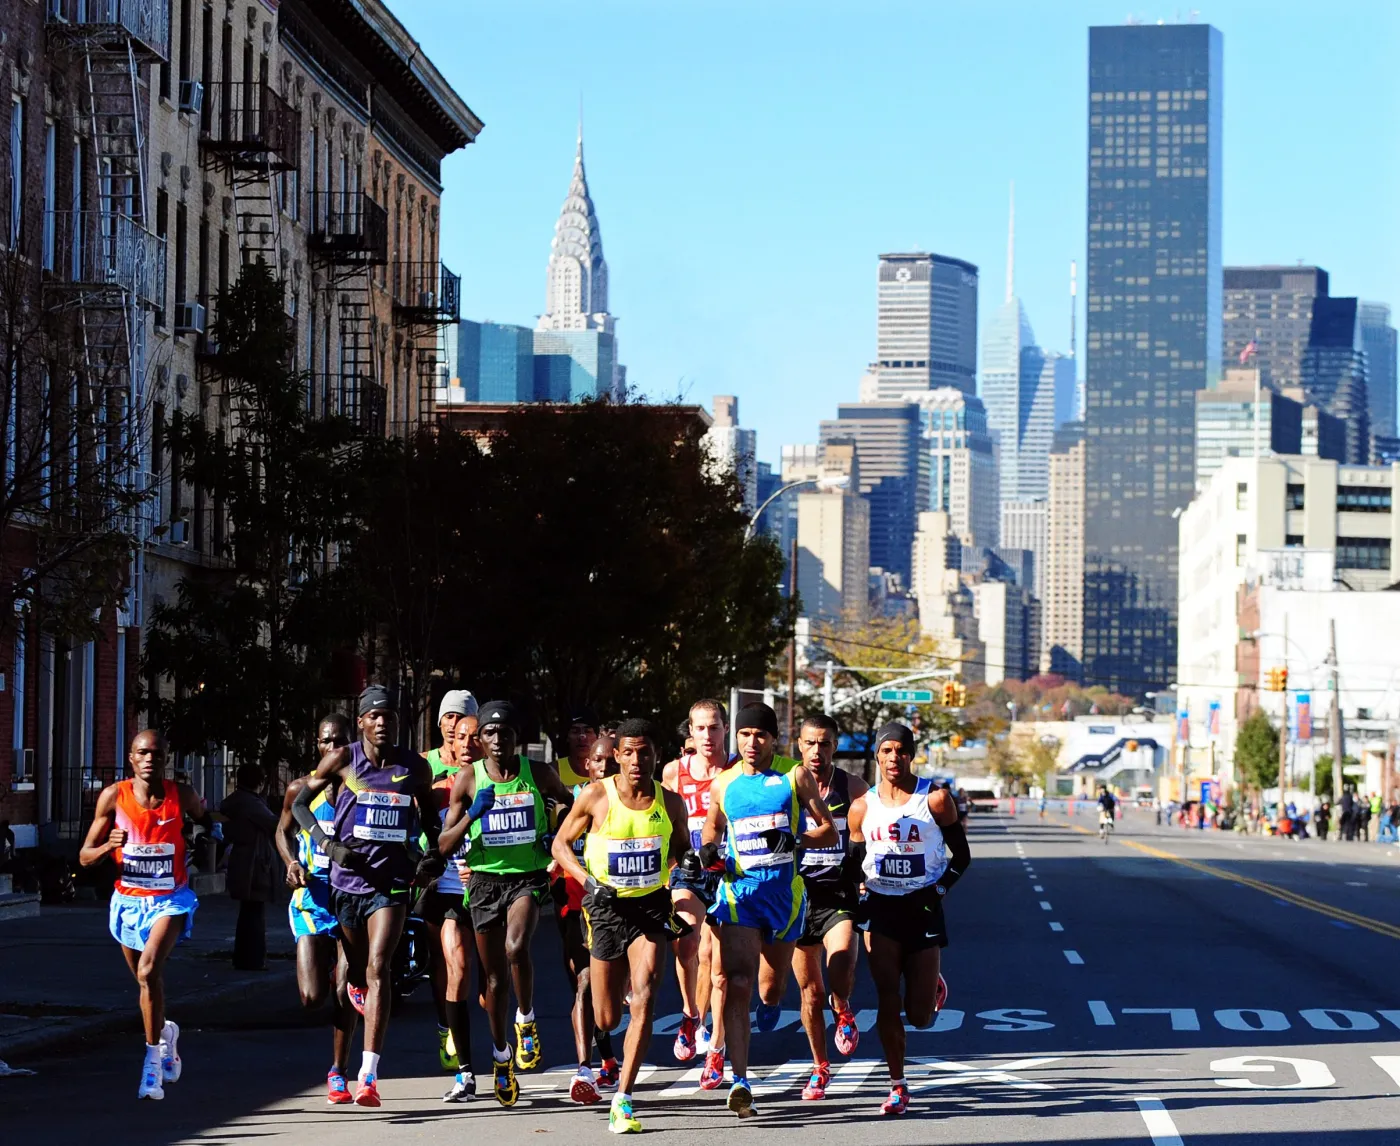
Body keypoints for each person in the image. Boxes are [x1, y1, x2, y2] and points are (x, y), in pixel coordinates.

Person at [292, 685, 445, 1107]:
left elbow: (431, 821)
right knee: (351, 978)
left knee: (379, 968)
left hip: (391, 883)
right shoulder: (343, 760)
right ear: (360, 722)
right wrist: (329, 845)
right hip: (346, 883)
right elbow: (301, 807)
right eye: (373, 716)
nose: (382, 722)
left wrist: (433, 855)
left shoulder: (413, 767)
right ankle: (336, 1070)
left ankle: (368, 1075)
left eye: (389, 716)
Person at [553, 718, 693, 1133]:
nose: (636, 760)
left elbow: (681, 849)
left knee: (647, 993)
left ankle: (624, 1098)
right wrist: (588, 882)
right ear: (616, 756)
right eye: (628, 752)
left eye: (644, 752)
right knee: (607, 1017)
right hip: (606, 911)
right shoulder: (597, 796)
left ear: (656, 754)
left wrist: (681, 866)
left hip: (650, 908)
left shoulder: (670, 803)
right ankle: (613, 1016)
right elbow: (561, 845)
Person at [698, 702, 835, 1117]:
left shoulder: (794, 776)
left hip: (785, 900)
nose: (751, 742)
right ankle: (740, 1080)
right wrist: (706, 849)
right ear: (736, 738)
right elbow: (712, 826)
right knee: (736, 981)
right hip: (739, 895)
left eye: (760, 735)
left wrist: (798, 843)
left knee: (768, 988)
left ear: (774, 739)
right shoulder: (724, 783)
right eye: (744, 735)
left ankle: (771, 1004)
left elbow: (827, 830)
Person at [441, 699, 573, 1106]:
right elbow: (445, 844)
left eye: (506, 732)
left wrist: (556, 830)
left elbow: (572, 808)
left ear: (518, 738)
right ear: (480, 739)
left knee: (517, 947)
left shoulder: (539, 773)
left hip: (527, 879)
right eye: (490, 733)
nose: (498, 740)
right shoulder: (468, 779)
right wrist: (470, 816)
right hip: (483, 884)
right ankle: (501, 1058)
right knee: (494, 980)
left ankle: (527, 1019)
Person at [80, 730, 212, 1100]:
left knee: (149, 970)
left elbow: (206, 819)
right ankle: (165, 1033)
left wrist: (203, 837)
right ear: (131, 758)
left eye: (157, 752)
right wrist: (108, 844)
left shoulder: (180, 795)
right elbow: (84, 857)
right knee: (146, 984)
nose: (150, 758)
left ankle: (152, 1063)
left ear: (166, 757)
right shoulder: (114, 797)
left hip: (170, 898)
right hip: (128, 902)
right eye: (143, 752)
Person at [848, 721, 971, 1116]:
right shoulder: (862, 807)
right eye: (887, 751)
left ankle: (931, 984)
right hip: (882, 906)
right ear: (877, 756)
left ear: (911, 754)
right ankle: (897, 1085)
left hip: (923, 908)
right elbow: (852, 864)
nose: (894, 758)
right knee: (886, 998)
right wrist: (855, 897)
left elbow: (962, 857)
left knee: (920, 1017)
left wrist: (937, 891)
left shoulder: (934, 799)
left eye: (901, 750)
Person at [276, 714, 357, 1103]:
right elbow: (282, 831)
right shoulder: (299, 789)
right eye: (326, 742)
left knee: (345, 990)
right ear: (317, 745)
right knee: (311, 998)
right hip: (311, 899)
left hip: (351, 898)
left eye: (339, 742)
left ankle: (339, 1071)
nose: (332, 749)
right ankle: (329, 968)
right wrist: (291, 861)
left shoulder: (362, 790)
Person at [791, 712, 868, 1100]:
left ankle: (844, 1005)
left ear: (835, 746)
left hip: (839, 895)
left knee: (841, 965)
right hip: (798, 898)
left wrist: (868, 874)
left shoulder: (852, 787)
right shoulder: (785, 786)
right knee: (809, 993)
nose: (817, 751)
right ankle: (820, 1067)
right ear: (799, 745)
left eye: (824, 743)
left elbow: (873, 832)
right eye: (810, 743)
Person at [661, 698, 729, 1080]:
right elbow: (666, 820)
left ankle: (716, 1049)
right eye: (700, 728)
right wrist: (670, 865)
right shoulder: (675, 771)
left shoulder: (737, 769)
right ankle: (690, 1013)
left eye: (714, 727)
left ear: (724, 729)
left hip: (727, 872)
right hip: (688, 869)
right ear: (691, 731)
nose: (707, 735)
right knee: (685, 939)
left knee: (719, 968)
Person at [553, 732, 621, 1104]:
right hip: (576, 908)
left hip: (623, 910)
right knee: (583, 984)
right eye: (598, 760)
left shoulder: (634, 801)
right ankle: (584, 1070)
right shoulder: (575, 805)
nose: (604, 766)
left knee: (607, 992)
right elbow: (557, 847)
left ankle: (608, 1057)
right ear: (587, 764)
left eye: (611, 759)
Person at [426, 702, 485, 1101]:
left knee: (492, 983)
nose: (465, 743)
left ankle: (504, 1044)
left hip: (493, 891)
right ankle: (463, 1069)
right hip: (448, 889)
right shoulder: (432, 779)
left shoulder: (502, 780)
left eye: (473, 737)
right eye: (459, 735)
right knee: (454, 967)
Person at [221, 763, 280, 971]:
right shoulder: (250, 803)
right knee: (254, 913)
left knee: (249, 912)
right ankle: (253, 959)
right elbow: (273, 823)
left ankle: (245, 957)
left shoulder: (239, 800)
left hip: (245, 860)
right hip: (254, 863)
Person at [557, 707, 600, 787]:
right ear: (567, 737)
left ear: (597, 736)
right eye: (575, 731)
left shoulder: (608, 770)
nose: (582, 737)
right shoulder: (553, 771)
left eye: (587, 731)